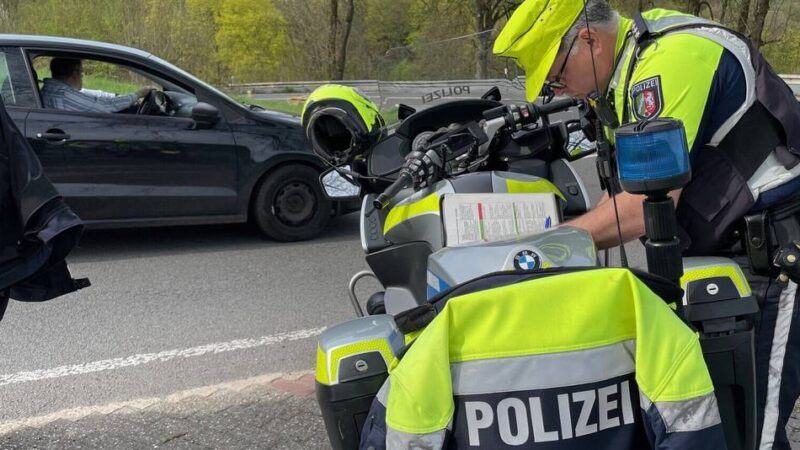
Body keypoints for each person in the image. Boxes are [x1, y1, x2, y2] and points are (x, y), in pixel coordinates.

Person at [493, 0, 800, 448]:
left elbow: (640, 207)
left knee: (754, 434)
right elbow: (618, 193)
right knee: (726, 421)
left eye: (557, 75)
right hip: (727, 263)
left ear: (588, 40)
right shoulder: (632, 62)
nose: (561, 88)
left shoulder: (673, 59)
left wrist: (548, 245)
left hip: (775, 260)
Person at [40, 58, 153, 113]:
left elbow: (85, 93)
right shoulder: (66, 96)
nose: (82, 76)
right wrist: (138, 94)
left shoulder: (49, 89)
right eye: (81, 73)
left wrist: (116, 95)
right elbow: (106, 107)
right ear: (75, 74)